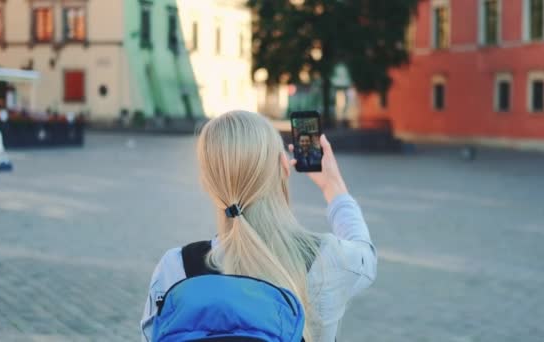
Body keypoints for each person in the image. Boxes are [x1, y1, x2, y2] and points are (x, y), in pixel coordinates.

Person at [141, 110, 377, 342]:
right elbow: (365, 250)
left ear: (207, 182)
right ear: (284, 167)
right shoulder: (329, 259)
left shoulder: (174, 269)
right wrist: (332, 186)